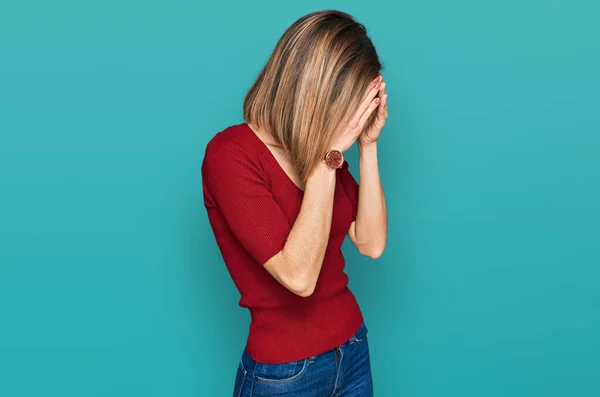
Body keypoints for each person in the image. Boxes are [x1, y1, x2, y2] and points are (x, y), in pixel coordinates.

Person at [201, 9, 388, 397]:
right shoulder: (231, 155)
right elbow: (299, 278)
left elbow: (371, 243)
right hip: (285, 375)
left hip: (352, 351)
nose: (350, 118)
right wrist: (330, 155)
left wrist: (368, 146)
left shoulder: (318, 152)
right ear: (314, 87)